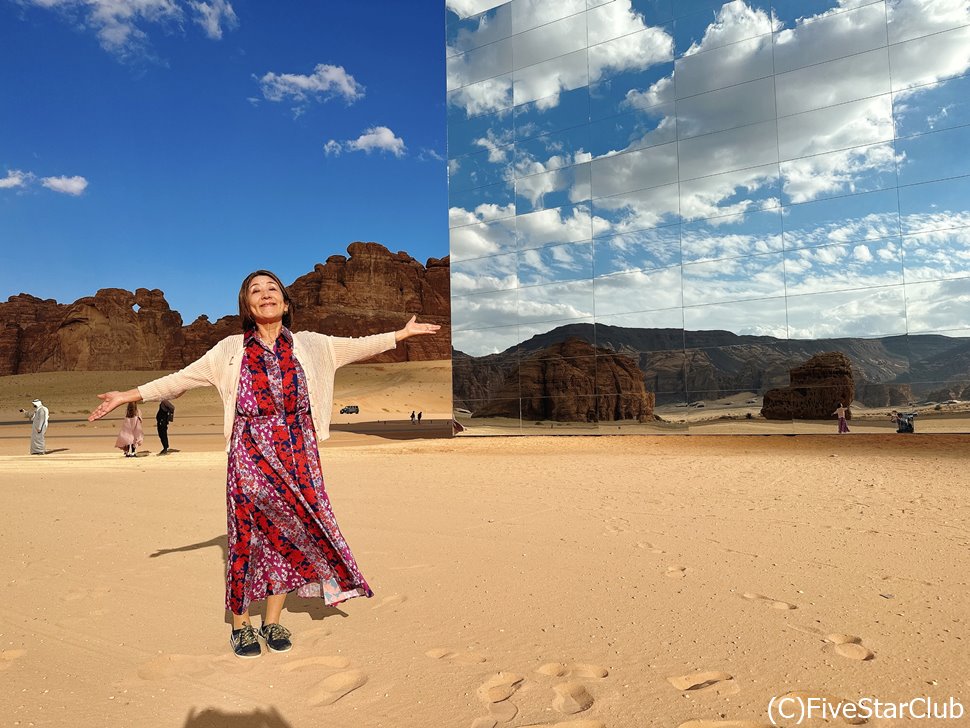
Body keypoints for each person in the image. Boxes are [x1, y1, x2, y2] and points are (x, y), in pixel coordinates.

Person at [88, 270, 439, 659]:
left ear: (286, 303)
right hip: (250, 452)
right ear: (247, 306)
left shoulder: (312, 345)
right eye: (255, 290)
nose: (265, 294)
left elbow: (358, 346)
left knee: (291, 534)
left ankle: (272, 620)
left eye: (272, 288)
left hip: (299, 454)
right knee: (246, 537)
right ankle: (240, 625)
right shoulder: (229, 350)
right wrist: (127, 394)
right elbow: (180, 378)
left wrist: (400, 336)